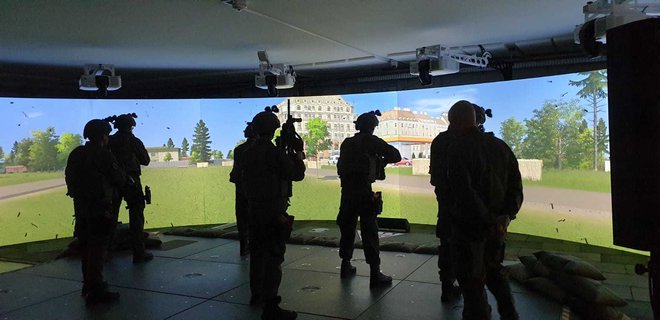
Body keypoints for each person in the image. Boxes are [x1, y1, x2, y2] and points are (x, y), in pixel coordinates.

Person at [444, 100, 523, 320]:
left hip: (470, 229)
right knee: (495, 271)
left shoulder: (458, 148)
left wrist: (487, 220)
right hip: (497, 227)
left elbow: (464, 192)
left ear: (457, 122)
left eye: (451, 122)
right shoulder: (500, 146)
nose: (450, 128)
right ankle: (510, 315)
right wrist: (504, 218)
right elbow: (516, 187)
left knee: (472, 283)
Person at [241, 108, 305, 320]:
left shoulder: (247, 151)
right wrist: (297, 156)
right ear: (272, 129)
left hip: (254, 209)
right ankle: (271, 307)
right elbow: (296, 175)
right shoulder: (273, 152)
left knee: (257, 255)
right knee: (273, 257)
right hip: (272, 212)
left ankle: (256, 296)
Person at [336, 110, 401, 288]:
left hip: (347, 192)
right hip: (364, 191)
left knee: (347, 229)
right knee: (369, 232)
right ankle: (374, 274)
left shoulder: (347, 143)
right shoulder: (371, 141)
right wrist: (380, 160)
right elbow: (396, 155)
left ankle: (345, 265)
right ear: (372, 127)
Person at [65, 119, 126, 305]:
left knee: (85, 247)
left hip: (81, 208)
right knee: (98, 247)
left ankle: (89, 285)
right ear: (102, 137)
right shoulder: (104, 155)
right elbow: (119, 179)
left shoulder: (77, 153)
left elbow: (70, 178)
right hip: (100, 208)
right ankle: (96, 289)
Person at [108, 113, 152, 263]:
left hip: (112, 182)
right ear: (130, 126)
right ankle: (139, 253)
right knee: (136, 216)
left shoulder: (109, 141)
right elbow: (145, 160)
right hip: (131, 182)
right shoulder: (133, 141)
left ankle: (107, 253)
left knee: (111, 216)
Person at [429, 125, 460, 302]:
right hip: (463, 201)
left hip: (445, 197)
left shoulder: (440, 140)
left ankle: (447, 287)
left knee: (446, 244)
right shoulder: (465, 141)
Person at [229, 122, 256, 257]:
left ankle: (244, 247)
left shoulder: (239, 150)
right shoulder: (266, 149)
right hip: (257, 193)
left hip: (241, 190)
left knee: (242, 219)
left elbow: (234, 174)